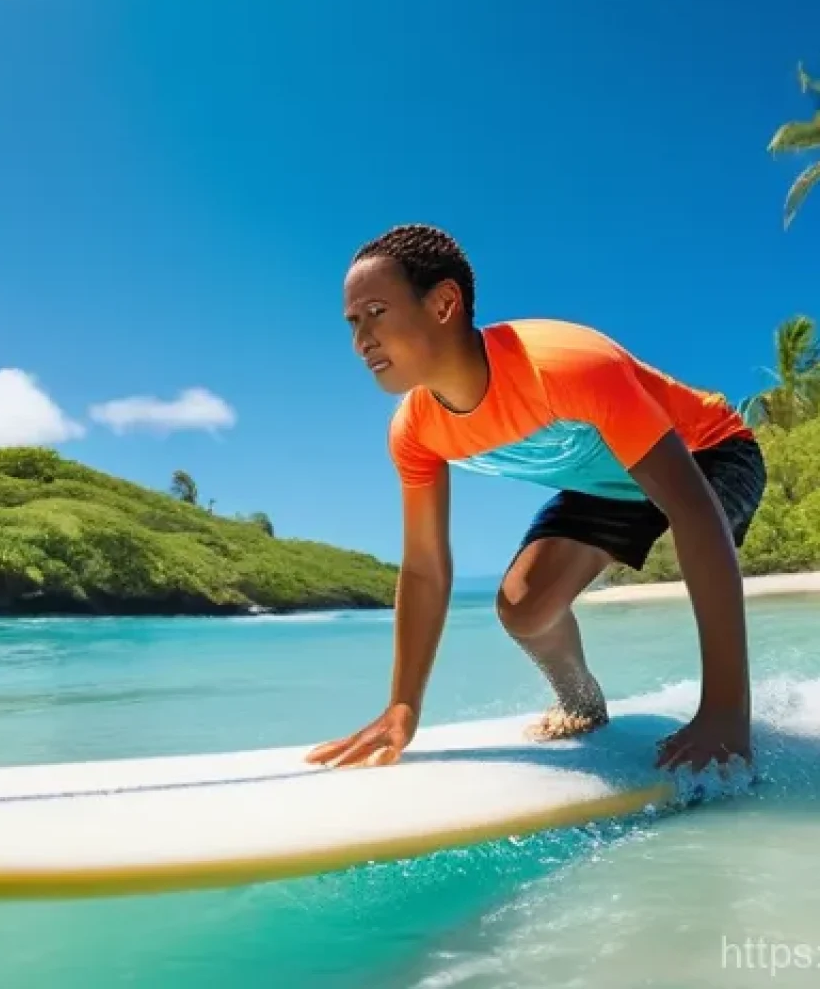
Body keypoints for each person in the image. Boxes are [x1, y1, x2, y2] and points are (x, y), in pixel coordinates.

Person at [306, 224, 766, 775]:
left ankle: (726, 699)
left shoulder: (566, 365)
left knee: (689, 526)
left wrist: (725, 711)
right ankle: (583, 705)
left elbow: (694, 511)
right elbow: (426, 568)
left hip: (707, 454)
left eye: (376, 312)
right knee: (524, 609)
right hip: (608, 484)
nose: (361, 341)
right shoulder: (415, 430)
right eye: (353, 323)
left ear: (445, 303)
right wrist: (403, 705)